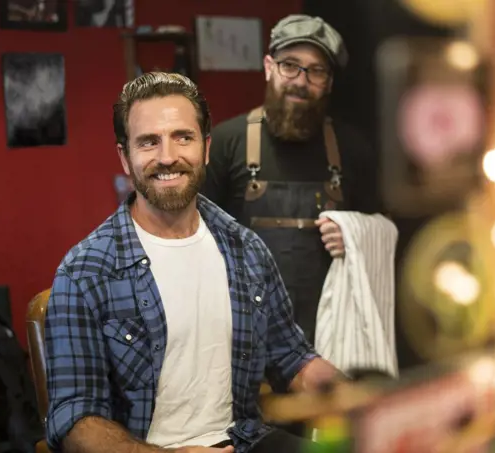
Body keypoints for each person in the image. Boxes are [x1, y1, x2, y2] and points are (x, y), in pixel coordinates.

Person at [44, 72, 345, 453]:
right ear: (125, 157)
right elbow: (74, 419)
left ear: (205, 149)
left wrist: (357, 395)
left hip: (246, 441)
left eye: (182, 137)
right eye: (149, 142)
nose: (167, 157)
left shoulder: (246, 249)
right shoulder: (84, 272)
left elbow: (291, 357)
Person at [202, 15, 381, 346]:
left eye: (316, 71)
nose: (301, 80)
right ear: (269, 67)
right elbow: (196, 241)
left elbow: (384, 228)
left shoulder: (351, 147)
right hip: (246, 340)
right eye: (290, 66)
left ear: (328, 83)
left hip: (330, 339)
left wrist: (356, 236)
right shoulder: (226, 142)